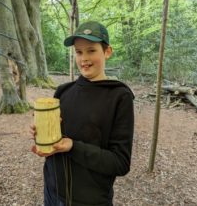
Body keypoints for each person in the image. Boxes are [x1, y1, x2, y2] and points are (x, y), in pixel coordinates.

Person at [31, 21, 134, 206]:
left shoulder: (119, 96)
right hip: (52, 193)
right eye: (79, 52)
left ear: (107, 52)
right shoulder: (63, 92)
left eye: (91, 50)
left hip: (89, 201)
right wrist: (43, 140)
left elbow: (120, 163)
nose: (84, 58)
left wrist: (73, 146)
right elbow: (56, 144)